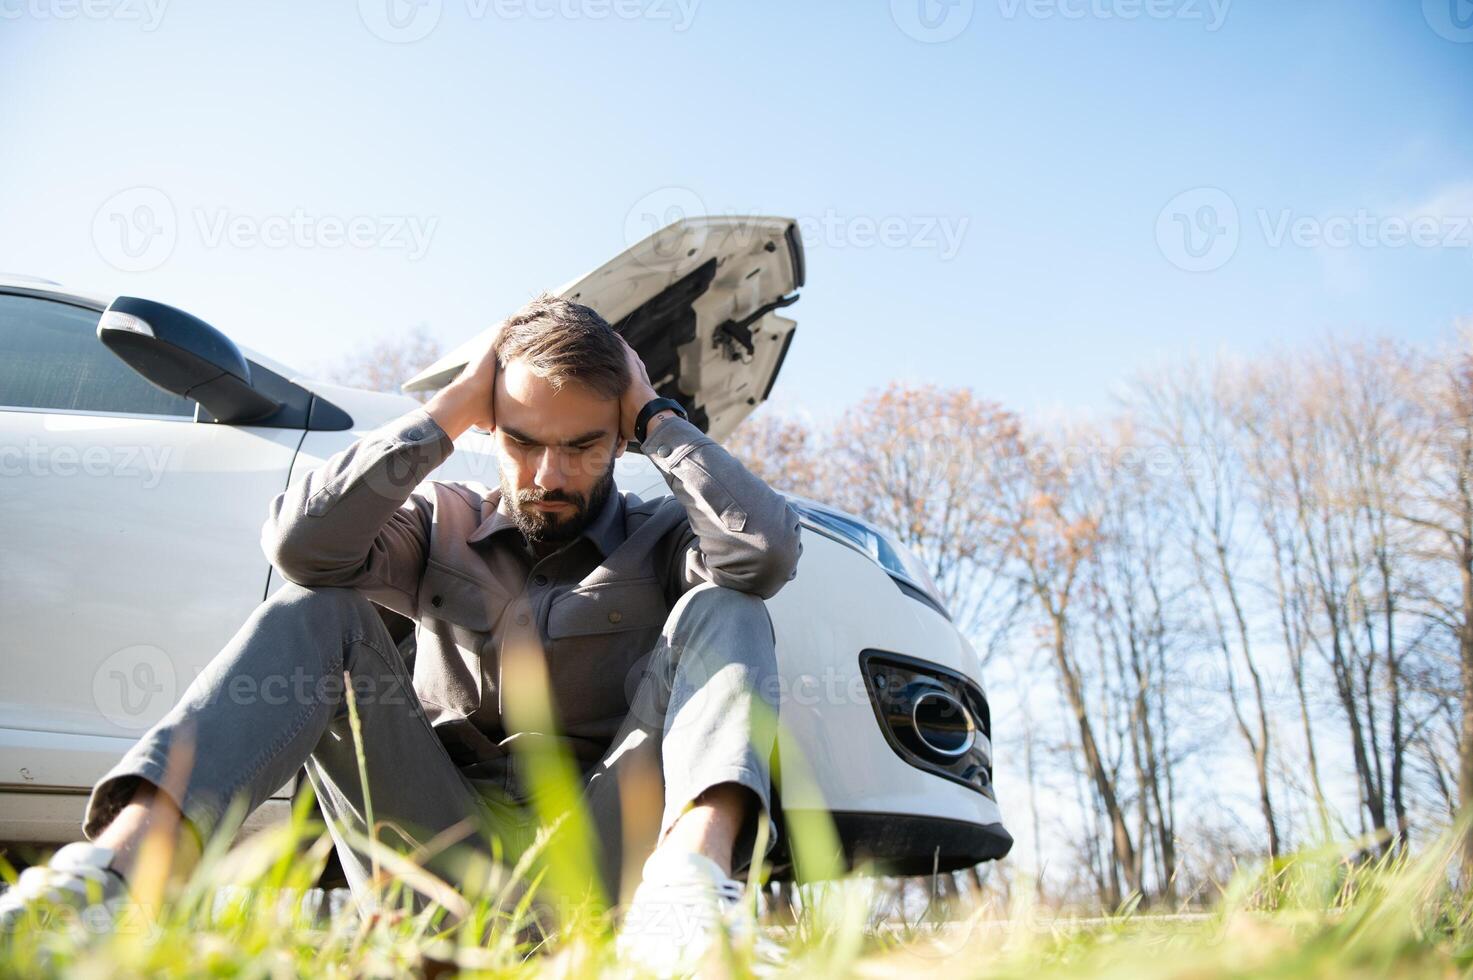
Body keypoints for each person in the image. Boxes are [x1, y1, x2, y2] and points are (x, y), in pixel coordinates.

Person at [0, 294, 803, 968]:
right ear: (491, 426)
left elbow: (763, 554)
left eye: (582, 446)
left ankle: (689, 904)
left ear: (620, 435)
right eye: (522, 440)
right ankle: (109, 881)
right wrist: (449, 408)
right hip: (433, 856)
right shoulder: (436, 518)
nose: (549, 476)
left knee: (728, 606)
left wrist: (660, 416)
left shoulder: (664, 536)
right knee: (316, 606)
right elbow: (302, 546)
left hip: (597, 857)